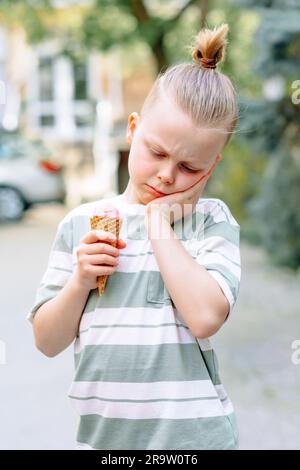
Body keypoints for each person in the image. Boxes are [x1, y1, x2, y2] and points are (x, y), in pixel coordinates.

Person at [28, 24, 241, 450]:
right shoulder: (82, 223)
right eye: (157, 152)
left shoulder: (210, 220)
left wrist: (159, 223)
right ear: (132, 129)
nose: (167, 175)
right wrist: (79, 282)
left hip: (195, 442)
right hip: (106, 443)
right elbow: (47, 341)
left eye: (190, 167)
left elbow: (205, 317)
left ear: (211, 167)